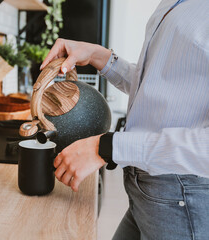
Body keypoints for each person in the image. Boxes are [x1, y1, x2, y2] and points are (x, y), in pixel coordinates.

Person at [40, 0, 209, 239]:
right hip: (148, 189)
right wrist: (100, 56)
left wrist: (108, 146)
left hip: (181, 198)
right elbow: (160, 89)